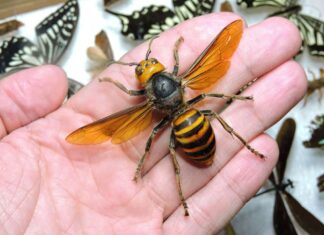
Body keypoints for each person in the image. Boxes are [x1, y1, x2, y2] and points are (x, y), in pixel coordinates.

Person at [0, 13, 306, 234]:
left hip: (184, 129)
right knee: (213, 110)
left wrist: (140, 159)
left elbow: (133, 109)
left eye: (149, 65)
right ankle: (244, 145)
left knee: (168, 148)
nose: (147, 66)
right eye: (146, 67)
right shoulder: (182, 77)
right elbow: (207, 84)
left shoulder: (146, 103)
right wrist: (239, 98)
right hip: (193, 120)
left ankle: (184, 190)